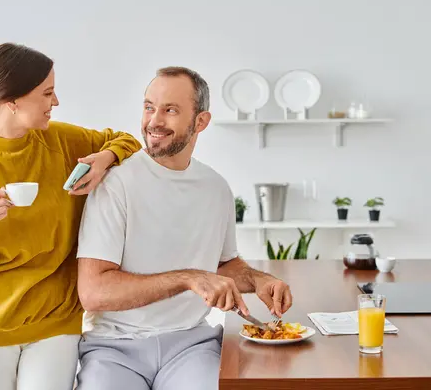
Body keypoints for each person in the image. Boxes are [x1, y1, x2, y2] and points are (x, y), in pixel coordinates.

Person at [0, 42, 142, 390]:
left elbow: (127, 140)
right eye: (47, 93)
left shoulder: (63, 141)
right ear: (12, 101)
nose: (55, 102)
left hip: (54, 323)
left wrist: (106, 158)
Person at [75, 66, 293, 390]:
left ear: (201, 122)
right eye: (149, 107)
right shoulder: (116, 184)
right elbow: (93, 293)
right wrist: (189, 279)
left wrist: (258, 280)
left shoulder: (216, 188)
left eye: (170, 110)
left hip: (191, 346)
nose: (154, 121)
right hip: (113, 349)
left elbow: (221, 266)